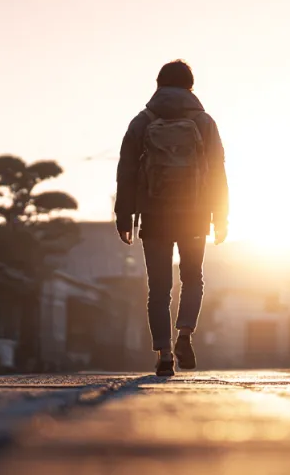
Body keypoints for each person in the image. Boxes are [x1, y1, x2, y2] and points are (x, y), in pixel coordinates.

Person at [114, 60, 229, 377]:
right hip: (194, 213)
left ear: (159, 85)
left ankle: (165, 355)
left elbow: (125, 171)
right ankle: (185, 335)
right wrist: (221, 216)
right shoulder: (205, 122)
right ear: (191, 87)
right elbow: (218, 171)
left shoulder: (142, 121)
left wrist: (125, 217)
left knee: (159, 288)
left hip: (154, 214)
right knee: (193, 278)